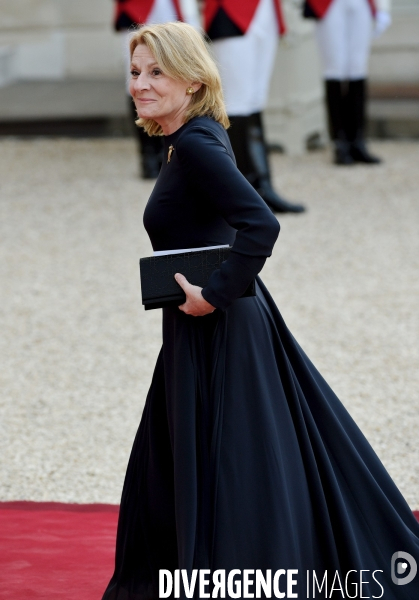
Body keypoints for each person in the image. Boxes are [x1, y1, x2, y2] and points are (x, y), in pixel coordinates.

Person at [101, 21, 419, 600]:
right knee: (202, 460)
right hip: (213, 323)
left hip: (215, 322)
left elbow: (261, 223)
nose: (141, 83)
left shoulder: (195, 144)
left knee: (231, 465)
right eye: (135, 71)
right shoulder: (191, 136)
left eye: (156, 72)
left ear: (194, 80)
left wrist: (215, 294)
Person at [203, 0, 306, 214]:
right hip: (232, 10)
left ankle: (263, 187)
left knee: (254, 102)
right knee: (236, 104)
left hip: (265, 11)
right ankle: (241, 194)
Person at [113, 0, 200, 178]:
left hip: (178, 6)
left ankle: (173, 151)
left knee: (180, 72)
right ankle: (149, 156)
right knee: (138, 77)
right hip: (140, 5)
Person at [303, 0, 392, 165]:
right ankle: (340, 143)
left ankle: (358, 141)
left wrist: (383, 7)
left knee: (358, 67)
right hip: (329, 4)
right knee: (333, 68)